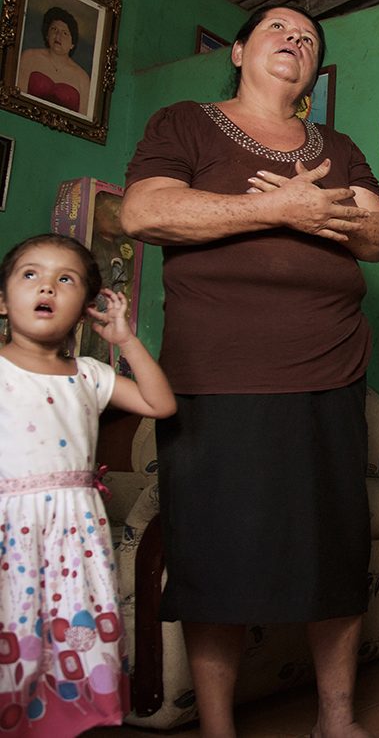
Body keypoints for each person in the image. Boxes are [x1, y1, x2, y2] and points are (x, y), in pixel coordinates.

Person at [120, 5, 379, 738]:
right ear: (239, 49)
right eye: (279, 29)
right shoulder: (183, 123)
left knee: (332, 559)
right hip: (217, 380)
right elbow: (145, 214)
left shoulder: (336, 147)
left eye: (308, 39)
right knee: (216, 560)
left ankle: (335, 720)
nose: (295, 41)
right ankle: (219, 728)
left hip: (329, 375)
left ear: (315, 70)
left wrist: (323, 210)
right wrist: (282, 209)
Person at [0, 233, 176, 736]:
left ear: (85, 308)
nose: (47, 286)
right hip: (11, 535)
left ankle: (64, 719)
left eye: (66, 278)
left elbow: (161, 404)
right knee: (14, 634)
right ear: (3, 297)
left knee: (70, 640)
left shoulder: (90, 375)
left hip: (73, 539)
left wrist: (126, 341)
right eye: (30, 274)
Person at [16, 7, 91, 116]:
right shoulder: (29, 57)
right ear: (47, 34)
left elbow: (84, 120)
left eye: (65, 33)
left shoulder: (83, 78)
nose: (58, 36)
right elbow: (16, 99)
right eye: (54, 29)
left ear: (72, 44)